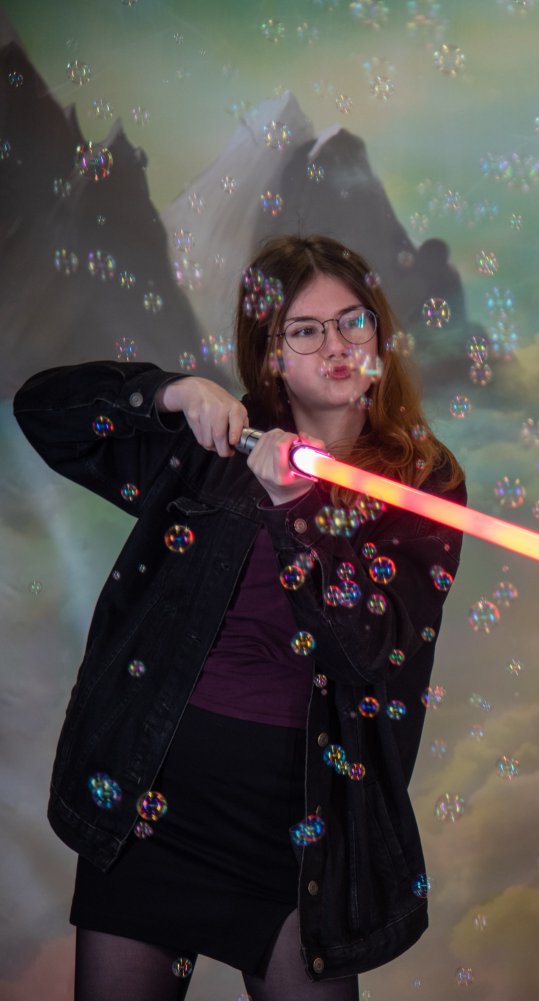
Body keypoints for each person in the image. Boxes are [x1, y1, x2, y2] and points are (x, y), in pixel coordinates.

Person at [14, 234, 466, 1001]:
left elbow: (370, 652)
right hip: (154, 798)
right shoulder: (215, 443)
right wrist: (168, 393)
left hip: (300, 824)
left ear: (379, 335)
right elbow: (43, 410)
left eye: (353, 322)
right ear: (272, 355)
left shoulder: (421, 482)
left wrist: (298, 514)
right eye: (306, 330)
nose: (336, 346)